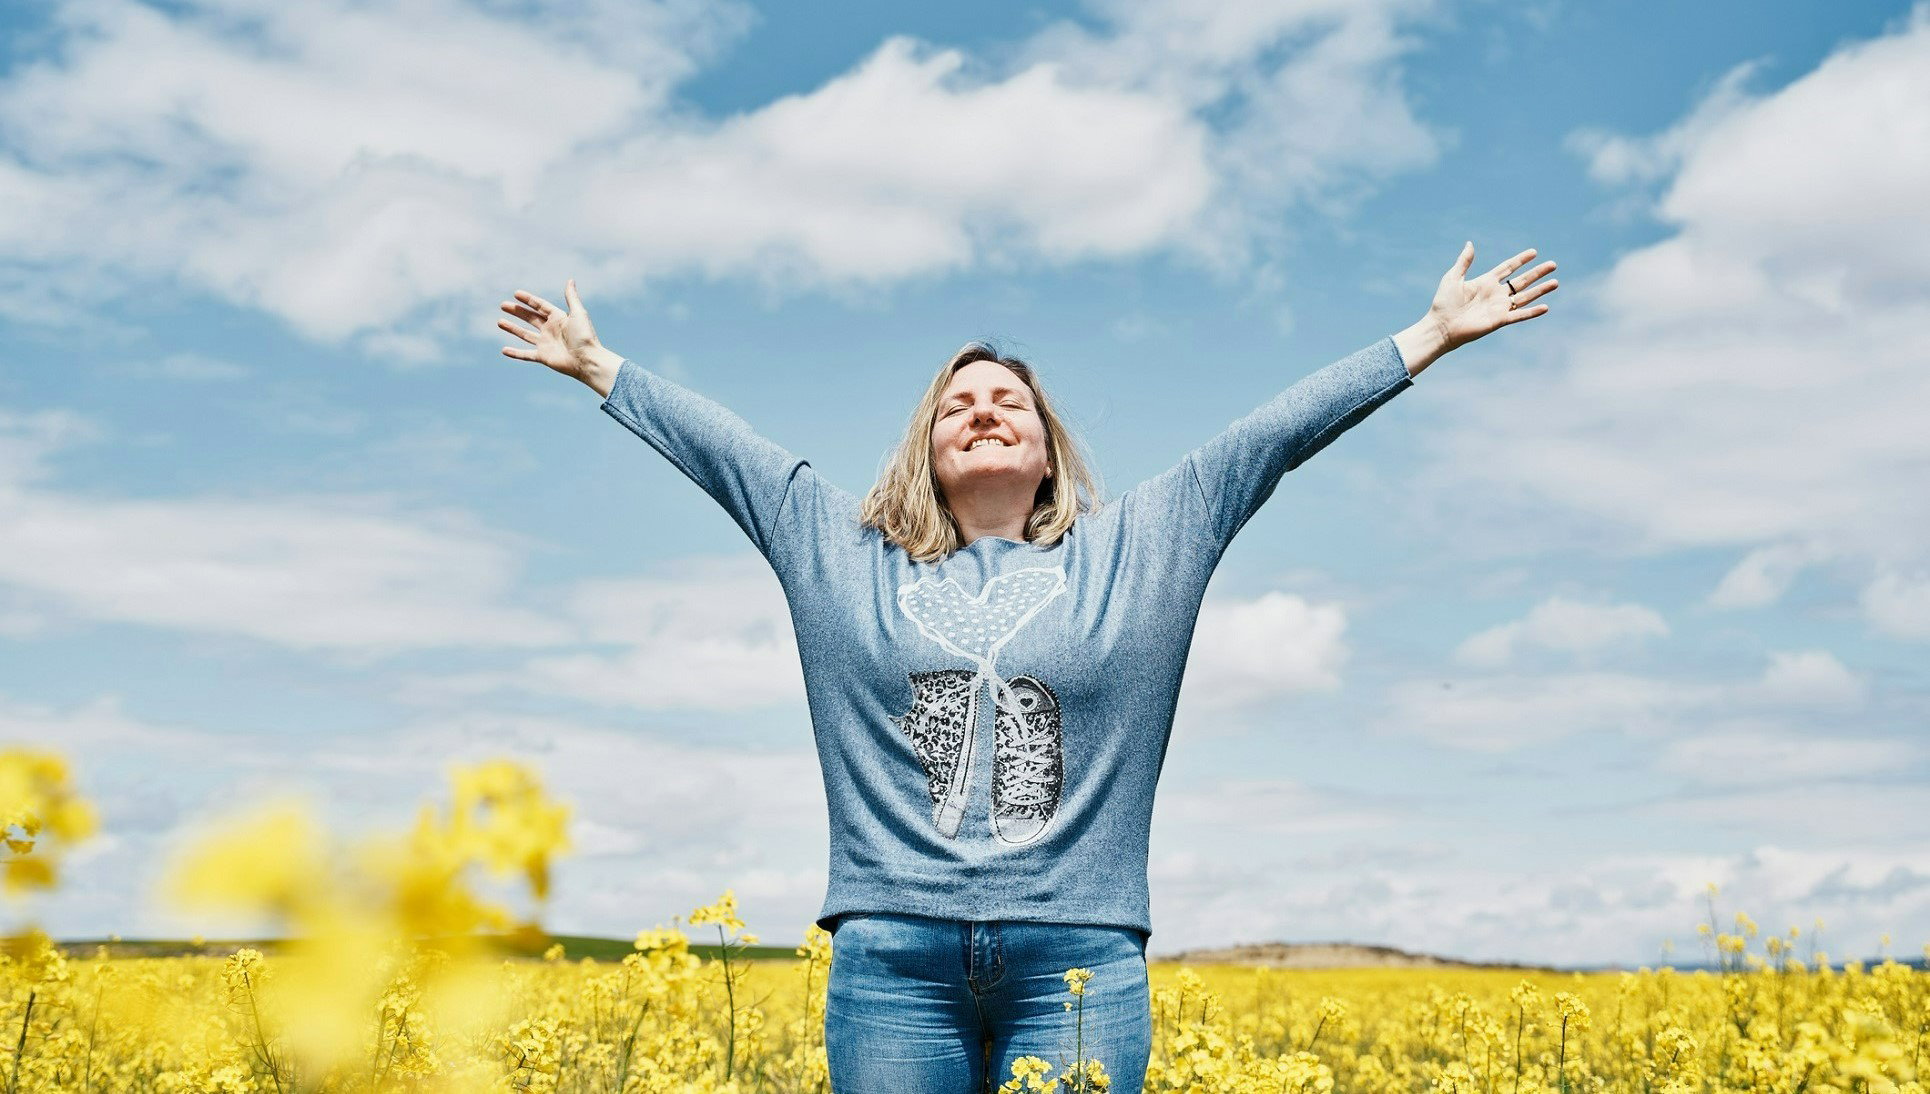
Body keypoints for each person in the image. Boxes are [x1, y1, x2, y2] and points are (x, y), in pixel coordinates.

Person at [497, 242, 1556, 1092]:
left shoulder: (1145, 546)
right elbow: (730, 451)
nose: (983, 409)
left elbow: (1268, 436)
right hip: (889, 962)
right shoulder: (839, 556)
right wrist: (596, 364)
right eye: (956, 406)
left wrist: (1427, 336)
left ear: (1047, 448)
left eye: (1008, 399)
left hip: (1081, 962)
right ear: (927, 451)